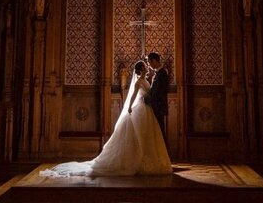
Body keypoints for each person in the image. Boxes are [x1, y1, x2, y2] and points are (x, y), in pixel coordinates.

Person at [40, 61, 171, 177]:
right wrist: (130, 107)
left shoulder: (147, 80)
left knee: (146, 135)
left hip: (147, 110)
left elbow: (151, 93)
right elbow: (133, 96)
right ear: (141, 70)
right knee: (138, 135)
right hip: (140, 109)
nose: (147, 67)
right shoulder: (138, 82)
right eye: (144, 66)